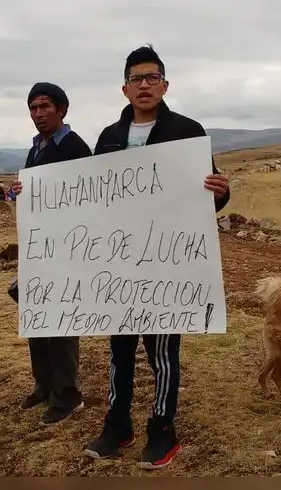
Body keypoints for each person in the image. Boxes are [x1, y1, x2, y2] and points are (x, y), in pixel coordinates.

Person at [81, 45, 230, 469]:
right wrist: (38, 195)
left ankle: (162, 428)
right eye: (136, 79)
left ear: (165, 85)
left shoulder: (187, 131)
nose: (144, 85)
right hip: (120, 261)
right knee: (119, 347)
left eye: (152, 77)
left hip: (168, 262)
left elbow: (207, 193)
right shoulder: (109, 137)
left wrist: (221, 193)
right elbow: (90, 195)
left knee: (162, 350)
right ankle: (117, 424)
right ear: (125, 89)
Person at [8, 82, 93, 425]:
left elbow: (89, 196)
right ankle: (44, 384)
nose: (38, 114)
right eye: (33, 108)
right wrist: (21, 191)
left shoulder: (75, 147)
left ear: (62, 110)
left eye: (44, 107)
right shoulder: (36, 148)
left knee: (61, 320)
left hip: (66, 249)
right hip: (38, 248)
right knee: (37, 316)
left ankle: (68, 395)